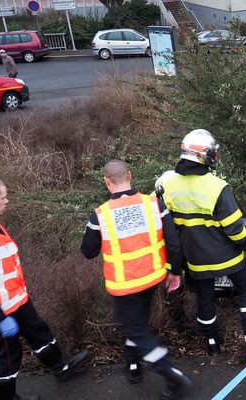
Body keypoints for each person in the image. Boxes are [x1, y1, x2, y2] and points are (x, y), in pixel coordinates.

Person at [0, 176, 89, 400]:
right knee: (8, 354)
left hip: (15, 298)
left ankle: (60, 367)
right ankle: (6, 397)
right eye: (3, 197)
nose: (7, 201)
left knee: (38, 331)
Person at [80, 160, 192, 400]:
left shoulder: (100, 214)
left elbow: (88, 252)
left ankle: (172, 374)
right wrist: (174, 272)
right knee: (137, 324)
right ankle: (133, 366)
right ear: (130, 175)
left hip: (124, 284)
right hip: (152, 278)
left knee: (136, 330)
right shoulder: (153, 204)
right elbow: (174, 243)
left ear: (106, 181)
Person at [159, 129, 246, 360]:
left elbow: (162, 223)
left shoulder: (167, 185)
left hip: (195, 261)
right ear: (204, 155)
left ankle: (212, 345)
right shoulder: (217, 187)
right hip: (229, 258)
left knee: (205, 299)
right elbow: (235, 230)